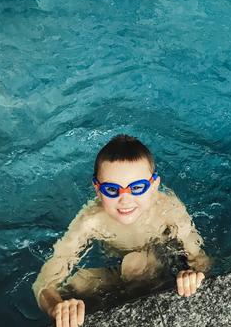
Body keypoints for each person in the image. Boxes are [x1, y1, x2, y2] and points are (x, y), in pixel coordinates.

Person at [32, 135, 210, 327]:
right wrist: (56, 306)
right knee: (73, 289)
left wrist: (193, 275)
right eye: (112, 189)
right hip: (118, 266)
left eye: (137, 187)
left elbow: (199, 258)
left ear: (153, 186)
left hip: (157, 257)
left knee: (139, 268)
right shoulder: (91, 220)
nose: (125, 199)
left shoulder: (169, 210)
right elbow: (43, 283)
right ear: (98, 190)